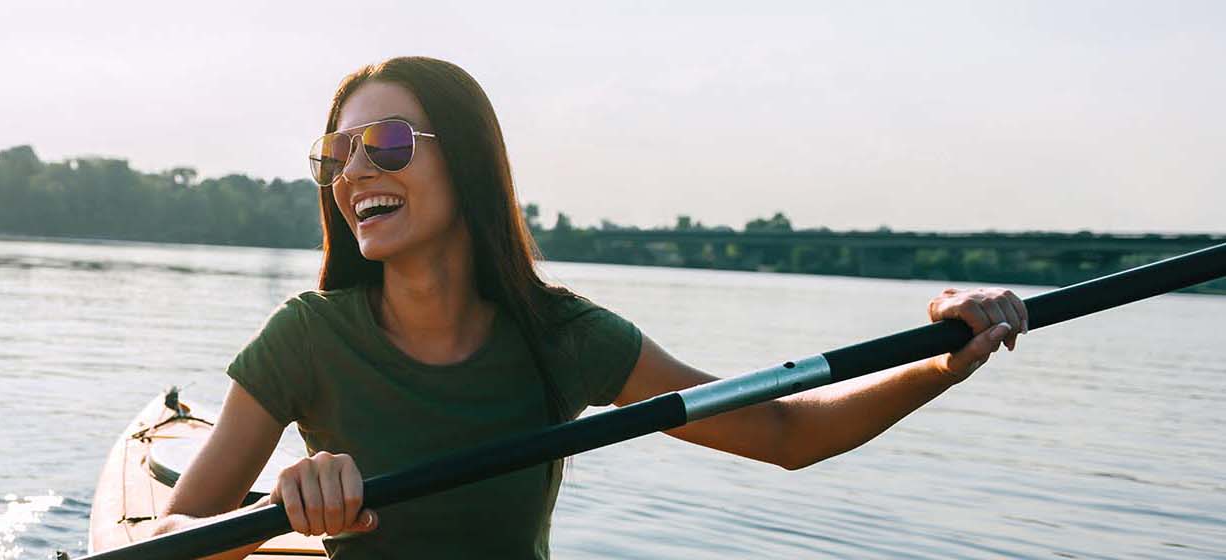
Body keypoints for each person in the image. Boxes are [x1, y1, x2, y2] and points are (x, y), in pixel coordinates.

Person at [150, 57, 1028, 559]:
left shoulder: (564, 337)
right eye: (336, 154)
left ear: (468, 160)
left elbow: (787, 433)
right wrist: (280, 506)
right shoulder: (306, 338)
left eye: (383, 143)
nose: (353, 174)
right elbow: (168, 538)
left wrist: (944, 357)